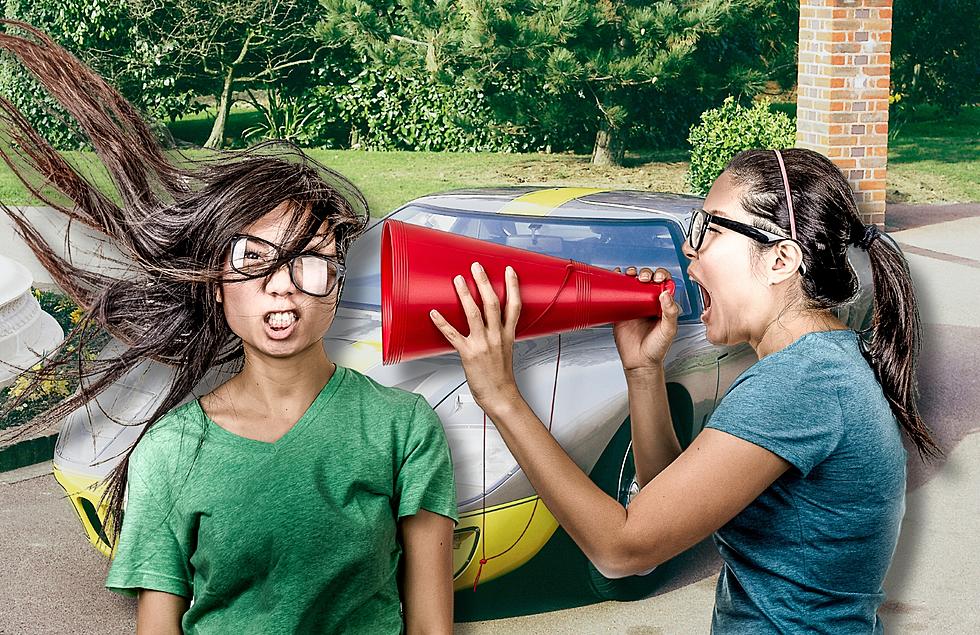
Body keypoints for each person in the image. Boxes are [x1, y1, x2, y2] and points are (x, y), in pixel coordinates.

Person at [0, 21, 456, 633]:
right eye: (253, 261)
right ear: (216, 282)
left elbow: (432, 625)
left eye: (312, 262)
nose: (283, 284)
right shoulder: (168, 450)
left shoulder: (403, 428)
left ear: (339, 282)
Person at [429, 147, 939, 633]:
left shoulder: (799, 385)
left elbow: (623, 550)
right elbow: (665, 497)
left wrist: (501, 396)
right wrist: (644, 370)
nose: (690, 251)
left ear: (781, 260)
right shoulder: (818, 366)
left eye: (709, 229)